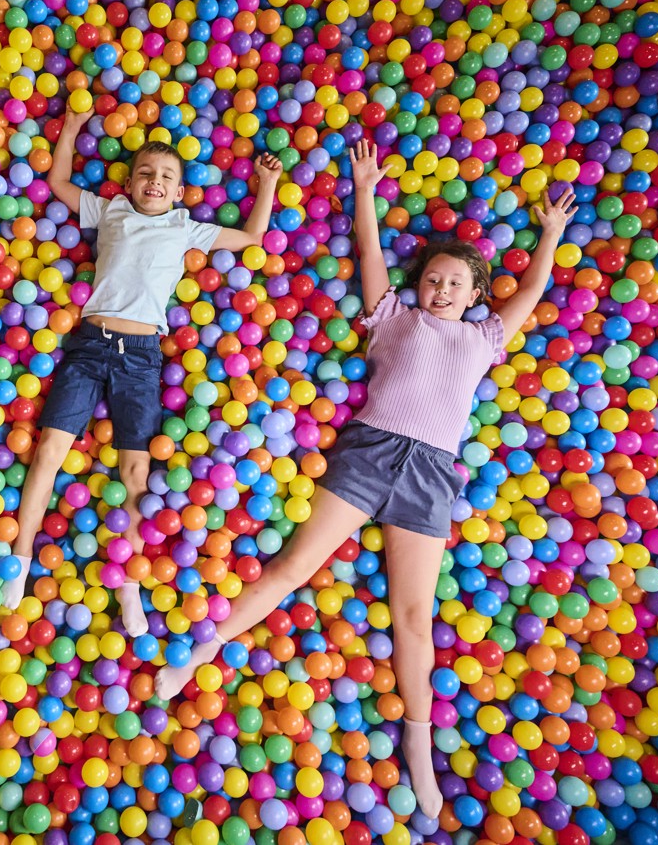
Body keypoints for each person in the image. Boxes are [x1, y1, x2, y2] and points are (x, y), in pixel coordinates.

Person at [154, 140, 578, 819]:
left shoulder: (483, 340)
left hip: (431, 476)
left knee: (415, 619)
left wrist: (550, 235)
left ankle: (418, 742)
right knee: (291, 568)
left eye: (454, 285)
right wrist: (363, 188)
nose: (440, 291)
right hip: (368, 454)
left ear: (475, 295)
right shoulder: (391, 318)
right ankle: (194, 657)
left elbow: (529, 293)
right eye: (432, 280)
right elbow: (367, 253)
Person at [1, 107, 283, 637]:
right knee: (49, 452)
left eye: (166, 177)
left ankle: (127, 583)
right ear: (129, 184)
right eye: (146, 174)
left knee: (134, 472)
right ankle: (19, 559)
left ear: (179, 194)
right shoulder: (110, 212)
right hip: (89, 345)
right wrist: (71, 128)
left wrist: (266, 183)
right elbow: (58, 181)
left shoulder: (186, 228)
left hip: (141, 356)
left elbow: (251, 238)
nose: (155, 182)